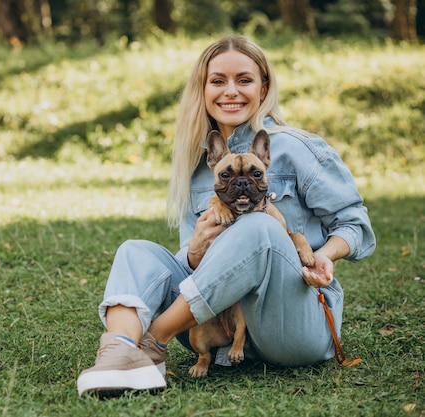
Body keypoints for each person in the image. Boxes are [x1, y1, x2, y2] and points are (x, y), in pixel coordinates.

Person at [76, 35, 376, 397]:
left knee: (260, 225)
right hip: (218, 333)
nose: (230, 91)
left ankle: (152, 343)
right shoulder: (200, 168)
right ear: (202, 89)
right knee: (134, 251)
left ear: (263, 87)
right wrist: (194, 250)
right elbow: (197, 266)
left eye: (244, 80)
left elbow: (355, 223)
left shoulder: (298, 148)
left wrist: (324, 256)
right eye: (218, 81)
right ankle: (119, 352)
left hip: (292, 326)